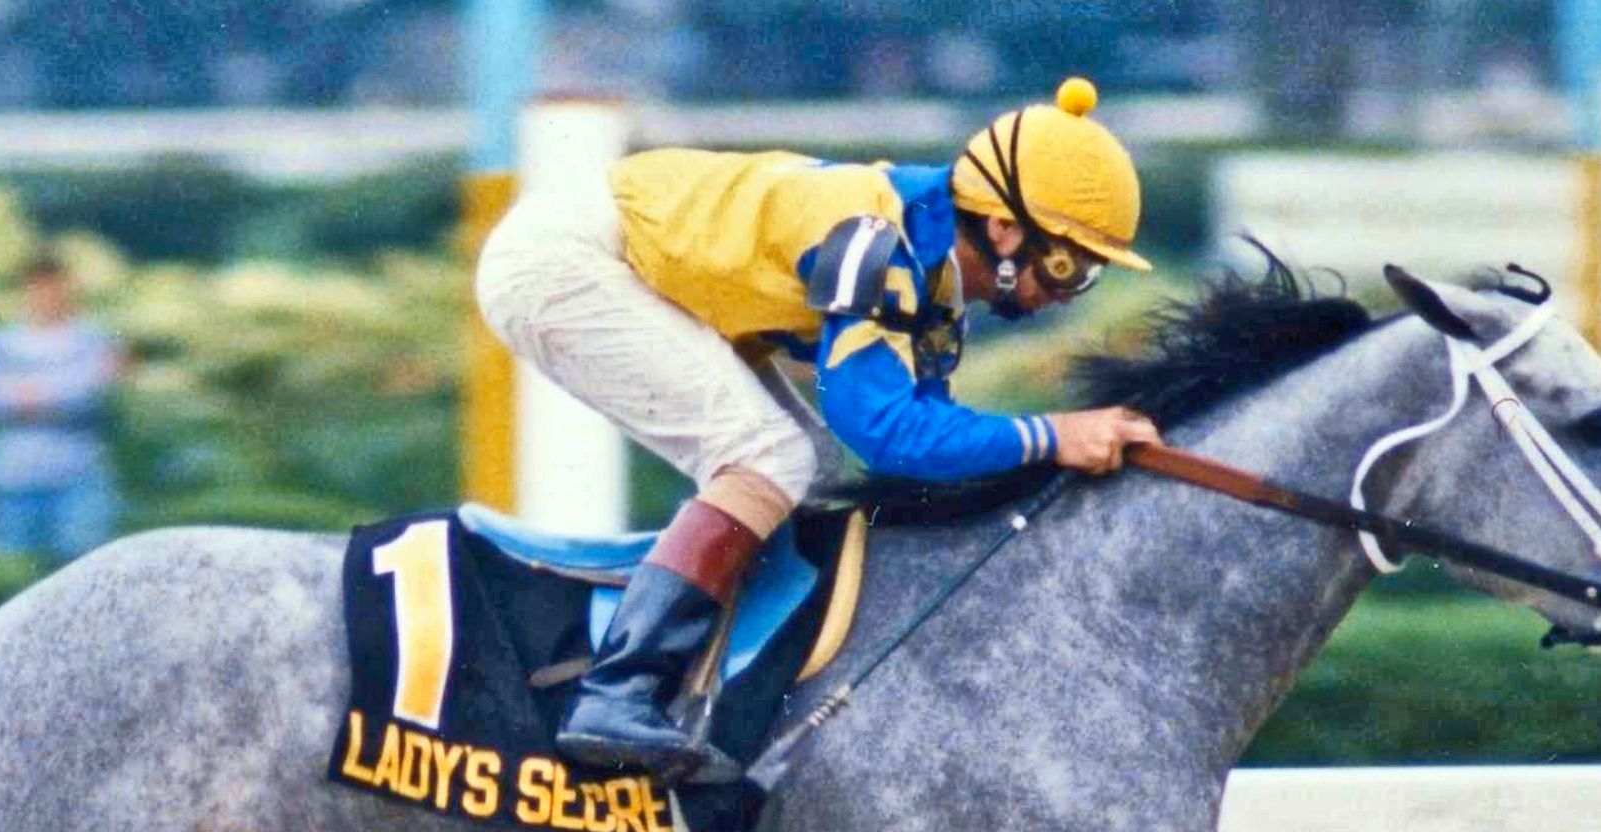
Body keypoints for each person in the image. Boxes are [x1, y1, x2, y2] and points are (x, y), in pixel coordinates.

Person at [476, 77, 1164, 781]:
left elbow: (915, 446)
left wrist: (1045, 450)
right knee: (768, 456)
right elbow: (884, 433)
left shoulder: (929, 273)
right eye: (1068, 263)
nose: (1068, 289)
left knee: (814, 466)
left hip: (646, 270)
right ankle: (618, 693)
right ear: (1005, 228)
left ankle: (738, 677)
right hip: (571, 261)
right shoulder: (881, 243)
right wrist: (1052, 436)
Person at [0, 255, 124, 565]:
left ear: (70, 288)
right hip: (10, 476)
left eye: (54, 286)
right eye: (37, 287)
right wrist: (55, 393)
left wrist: (27, 395)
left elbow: (88, 393)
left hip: (77, 473)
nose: (46, 295)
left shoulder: (94, 339)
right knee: (9, 574)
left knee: (85, 569)